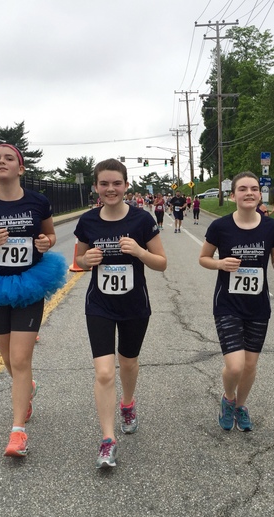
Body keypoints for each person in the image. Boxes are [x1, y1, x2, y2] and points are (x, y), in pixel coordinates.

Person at [0, 143, 67, 458]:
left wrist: (46, 243)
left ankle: (18, 432)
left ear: (21, 168)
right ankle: (27, 388)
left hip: (30, 284)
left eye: (9, 158)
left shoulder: (38, 201)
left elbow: (50, 236)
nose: (1, 161)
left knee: (20, 360)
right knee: (7, 357)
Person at [73, 158, 167, 469]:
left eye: (116, 183)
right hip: (99, 305)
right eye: (104, 184)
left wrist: (139, 251)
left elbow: (161, 262)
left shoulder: (142, 220)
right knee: (104, 372)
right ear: (96, 187)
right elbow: (79, 260)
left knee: (127, 362)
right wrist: (86, 259)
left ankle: (127, 403)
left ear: (126, 185)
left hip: (134, 305)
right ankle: (108, 440)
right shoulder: (88, 221)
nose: (110, 189)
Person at [199, 171, 274, 432]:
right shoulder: (220, 226)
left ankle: (241, 406)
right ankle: (228, 399)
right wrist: (220, 264)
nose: (249, 193)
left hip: (258, 306)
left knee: (249, 365)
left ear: (260, 194)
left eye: (254, 189)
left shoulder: (271, 227)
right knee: (235, 365)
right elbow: (203, 258)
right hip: (227, 304)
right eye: (243, 189)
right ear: (232, 195)